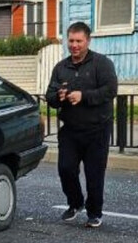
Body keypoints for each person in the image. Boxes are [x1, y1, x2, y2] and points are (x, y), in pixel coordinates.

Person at [45, 22, 118, 228]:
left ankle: (94, 213)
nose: (74, 45)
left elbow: (110, 90)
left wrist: (83, 96)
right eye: (71, 41)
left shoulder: (101, 63)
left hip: (97, 129)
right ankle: (75, 203)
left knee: (94, 174)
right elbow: (49, 96)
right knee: (65, 169)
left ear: (88, 41)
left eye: (79, 41)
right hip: (70, 129)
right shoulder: (61, 67)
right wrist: (58, 97)